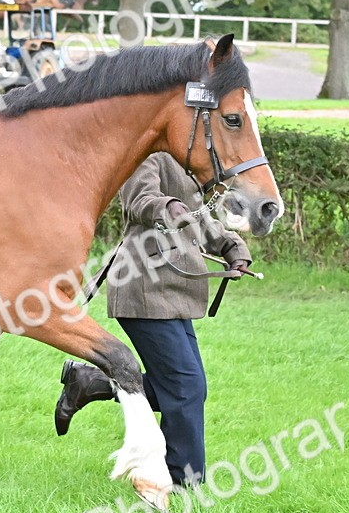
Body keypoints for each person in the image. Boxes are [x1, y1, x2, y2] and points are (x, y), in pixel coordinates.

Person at [53, 152, 251, 489]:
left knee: (189, 386)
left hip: (174, 291)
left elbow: (198, 217)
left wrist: (230, 246)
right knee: (185, 386)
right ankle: (181, 481)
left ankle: (90, 383)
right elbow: (139, 200)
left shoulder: (186, 161)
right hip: (142, 287)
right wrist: (169, 207)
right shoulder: (148, 154)